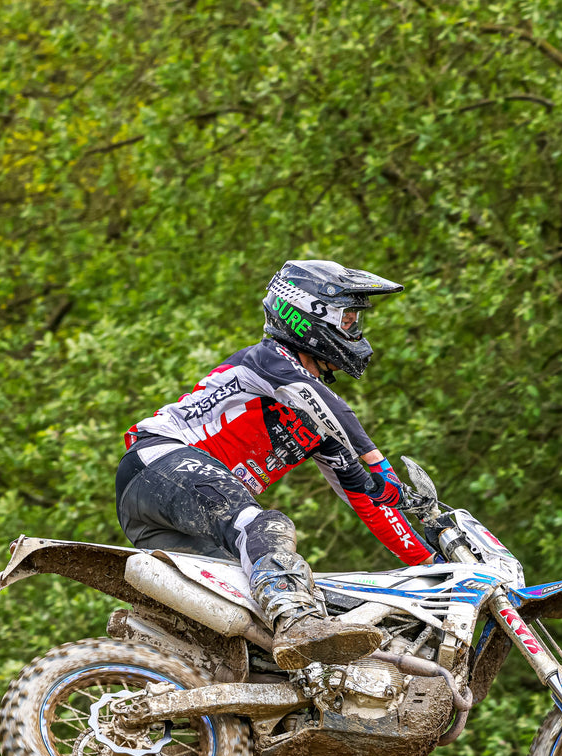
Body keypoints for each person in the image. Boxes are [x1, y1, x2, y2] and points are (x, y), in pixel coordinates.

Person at [115, 258, 435, 670]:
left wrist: (429, 566)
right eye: (350, 319)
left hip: (178, 513)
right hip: (157, 461)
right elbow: (330, 410)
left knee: (249, 617)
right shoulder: (270, 360)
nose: (356, 332)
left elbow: (370, 504)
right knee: (266, 527)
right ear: (308, 313)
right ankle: (299, 625)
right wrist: (380, 474)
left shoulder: (319, 424)